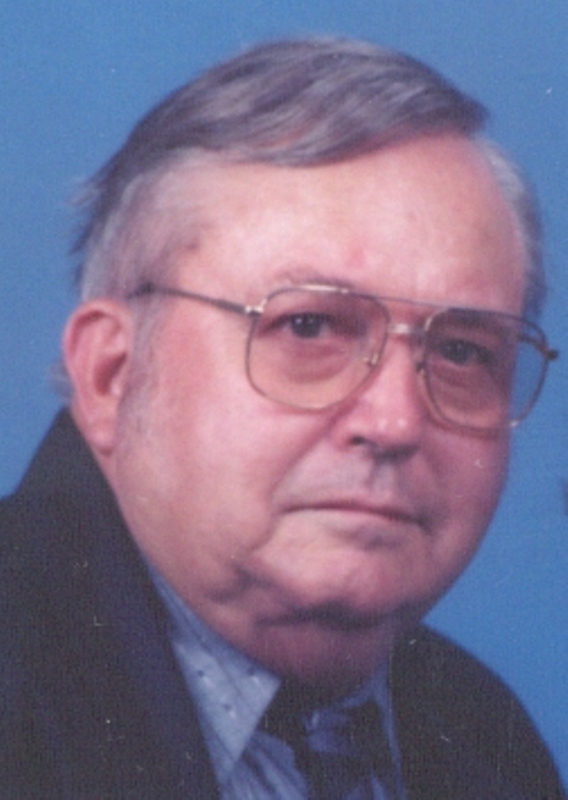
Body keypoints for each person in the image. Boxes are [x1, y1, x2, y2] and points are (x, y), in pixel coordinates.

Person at [0, 37, 564, 799]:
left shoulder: (486, 740)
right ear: (112, 374)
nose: (395, 423)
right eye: (308, 327)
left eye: (462, 351)